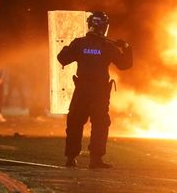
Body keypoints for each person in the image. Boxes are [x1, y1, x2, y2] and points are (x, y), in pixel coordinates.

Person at [57, 11, 133, 169]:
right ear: (104, 27)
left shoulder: (79, 43)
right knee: (100, 124)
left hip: (82, 90)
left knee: (75, 122)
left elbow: (62, 58)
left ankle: (71, 158)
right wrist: (126, 47)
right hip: (99, 92)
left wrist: (67, 46)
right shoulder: (108, 46)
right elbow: (125, 65)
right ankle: (95, 160)